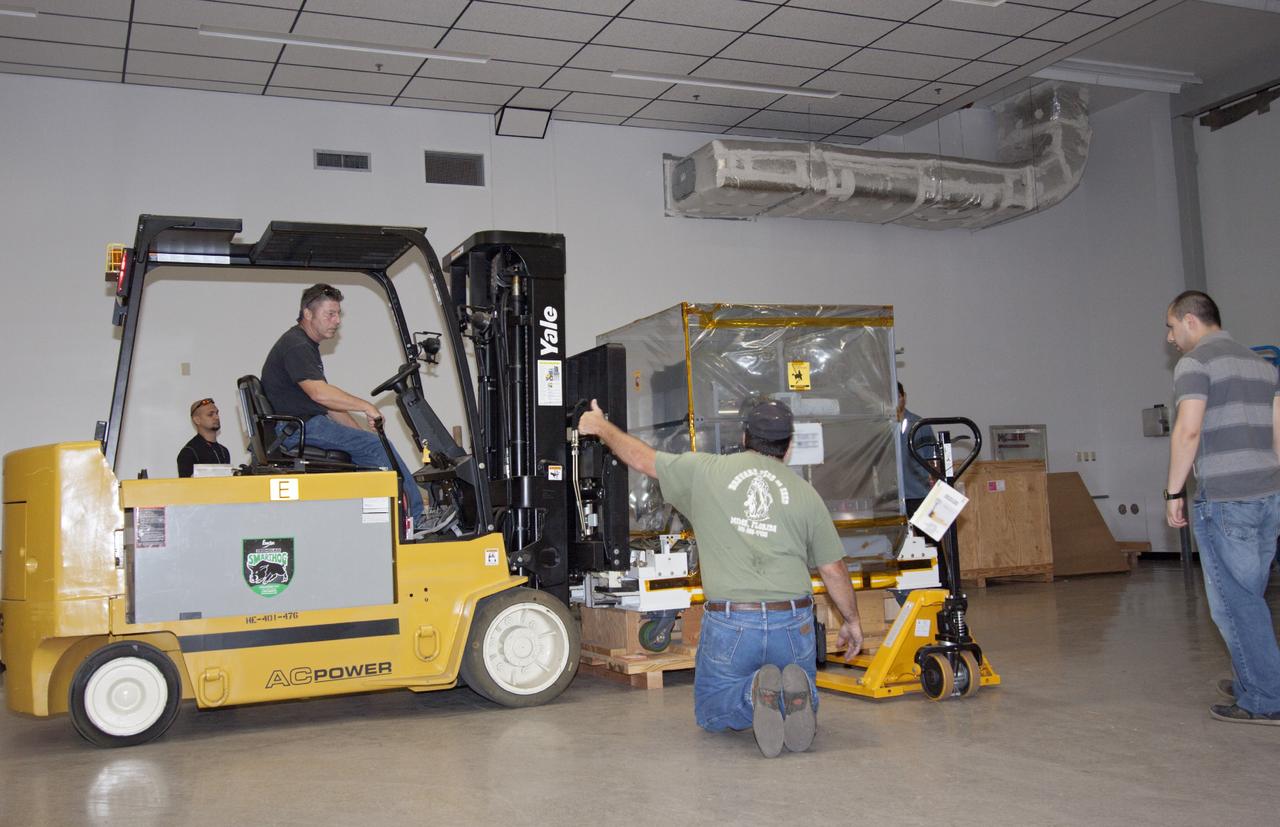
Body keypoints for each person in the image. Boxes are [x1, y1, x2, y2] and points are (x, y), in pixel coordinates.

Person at [578, 396, 863, 757]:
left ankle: (755, 693)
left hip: (733, 621)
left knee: (712, 714)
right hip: (793, 620)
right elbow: (833, 568)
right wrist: (851, 621)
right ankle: (793, 695)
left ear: (744, 438)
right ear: (789, 447)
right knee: (804, 696)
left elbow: (641, 458)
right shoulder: (806, 494)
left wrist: (600, 426)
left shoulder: (706, 471)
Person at [1164, 290, 1280, 726]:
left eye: (1172, 328)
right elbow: (1278, 435)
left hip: (1228, 500)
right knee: (1249, 596)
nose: (1172, 339)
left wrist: (1174, 491)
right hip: (1268, 496)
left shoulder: (1195, 364)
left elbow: (1188, 433)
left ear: (1191, 321)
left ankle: (1266, 696)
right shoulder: (1261, 364)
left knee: (1234, 603)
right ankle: (1256, 677)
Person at [261, 283, 426, 529]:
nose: (337, 320)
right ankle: (417, 518)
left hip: (306, 425)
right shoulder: (297, 345)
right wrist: (366, 407)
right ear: (308, 313)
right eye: (330, 314)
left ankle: (384, 521)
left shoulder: (303, 344)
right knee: (376, 447)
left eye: (338, 314)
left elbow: (329, 406)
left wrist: (362, 432)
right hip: (298, 430)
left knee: (375, 444)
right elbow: (320, 394)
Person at [897, 381, 936, 509]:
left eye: (898, 396)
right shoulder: (881, 429)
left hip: (919, 494)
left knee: (928, 529)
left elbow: (933, 460)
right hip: (891, 497)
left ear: (904, 397)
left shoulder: (919, 425)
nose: (895, 401)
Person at [177, 397, 231, 477]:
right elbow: (186, 487)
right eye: (210, 414)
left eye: (217, 413)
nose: (217, 417)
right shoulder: (188, 452)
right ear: (197, 420)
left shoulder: (224, 451)